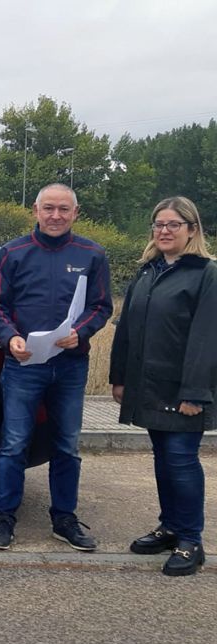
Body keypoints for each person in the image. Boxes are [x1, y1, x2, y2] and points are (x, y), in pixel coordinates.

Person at [0, 183, 112, 552]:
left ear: (76, 213)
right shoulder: (13, 252)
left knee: (67, 445)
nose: (56, 216)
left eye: (64, 210)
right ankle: (4, 518)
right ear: (35, 211)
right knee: (13, 444)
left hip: (70, 366)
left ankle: (64, 519)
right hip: (24, 364)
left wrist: (81, 332)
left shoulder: (93, 254)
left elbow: (102, 306)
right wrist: (9, 338)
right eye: (49, 209)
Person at [109, 196, 214, 576]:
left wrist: (195, 392)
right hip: (147, 386)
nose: (164, 231)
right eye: (159, 224)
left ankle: (191, 541)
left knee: (181, 460)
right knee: (163, 459)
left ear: (192, 229)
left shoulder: (206, 273)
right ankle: (170, 527)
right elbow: (127, 329)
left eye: (173, 225)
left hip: (183, 390)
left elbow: (206, 338)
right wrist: (119, 378)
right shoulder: (148, 271)